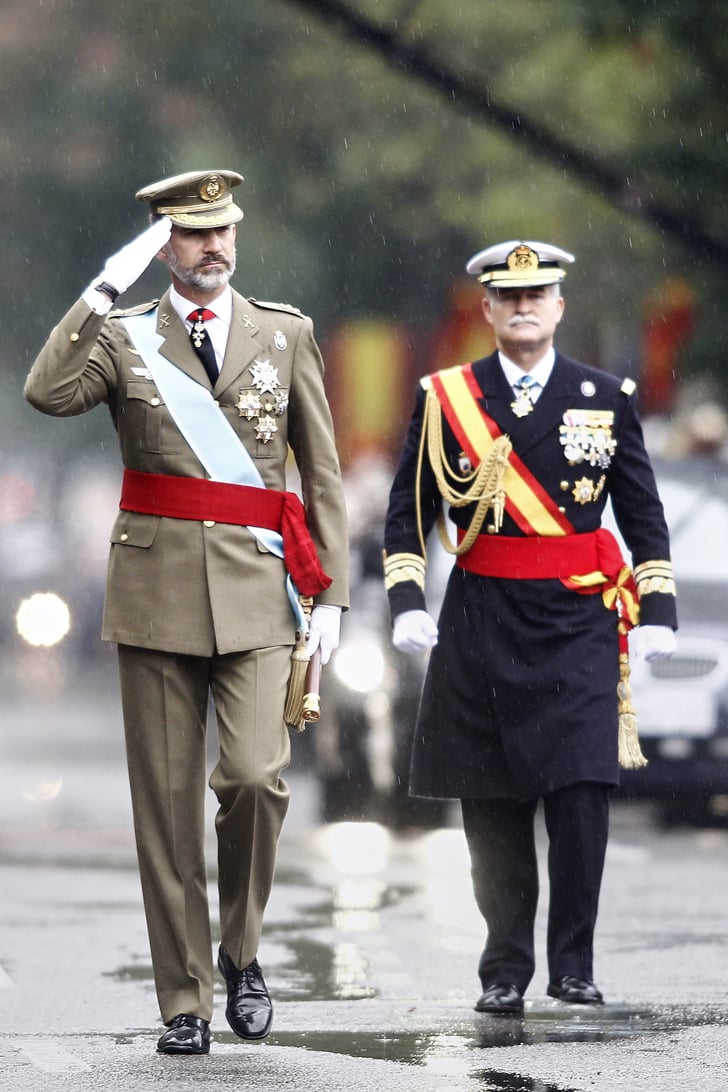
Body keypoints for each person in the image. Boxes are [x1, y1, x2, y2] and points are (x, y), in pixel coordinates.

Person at [24, 170, 349, 1053]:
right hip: (156, 593)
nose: (216, 247)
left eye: (225, 231)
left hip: (258, 592)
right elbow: (45, 393)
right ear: (162, 247)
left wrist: (333, 596)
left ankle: (242, 953)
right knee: (164, 810)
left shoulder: (284, 335)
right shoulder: (124, 338)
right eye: (196, 235)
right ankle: (185, 1000)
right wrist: (100, 288)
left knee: (253, 777)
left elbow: (320, 475)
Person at [383, 239, 677, 1015]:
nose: (522, 307)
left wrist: (659, 611)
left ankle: (572, 963)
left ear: (557, 307)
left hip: (579, 616)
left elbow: (641, 511)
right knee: (495, 801)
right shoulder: (448, 396)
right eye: (507, 298)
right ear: (486, 309)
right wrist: (408, 603)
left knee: (583, 791)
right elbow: (407, 512)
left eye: (536, 295)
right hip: (481, 616)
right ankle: (504, 967)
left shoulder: (604, 395)